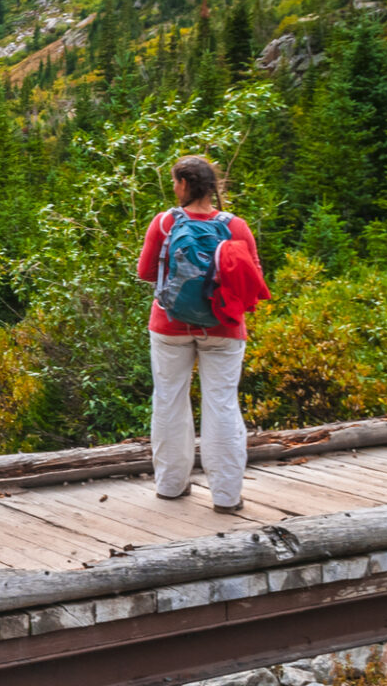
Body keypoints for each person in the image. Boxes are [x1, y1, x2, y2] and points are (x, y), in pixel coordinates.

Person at [136, 155, 264, 514]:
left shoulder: (164, 223)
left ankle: (171, 487)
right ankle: (225, 496)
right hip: (224, 327)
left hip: (169, 326)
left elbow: (146, 272)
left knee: (169, 400)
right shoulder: (236, 226)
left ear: (183, 184)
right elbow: (254, 277)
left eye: (175, 182)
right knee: (221, 404)